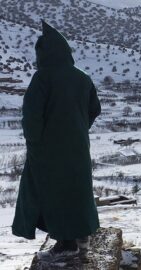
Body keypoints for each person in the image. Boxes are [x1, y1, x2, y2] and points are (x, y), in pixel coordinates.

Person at [12, 20, 101, 261]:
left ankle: (66, 243)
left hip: (48, 150)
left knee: (52, 193)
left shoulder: (42, 78)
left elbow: (31, 117)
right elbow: (94, 109)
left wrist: (35, 142)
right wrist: (78, 130)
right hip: (79, 146)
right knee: (77, 190)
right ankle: (82, 235)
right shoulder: (83, 78)